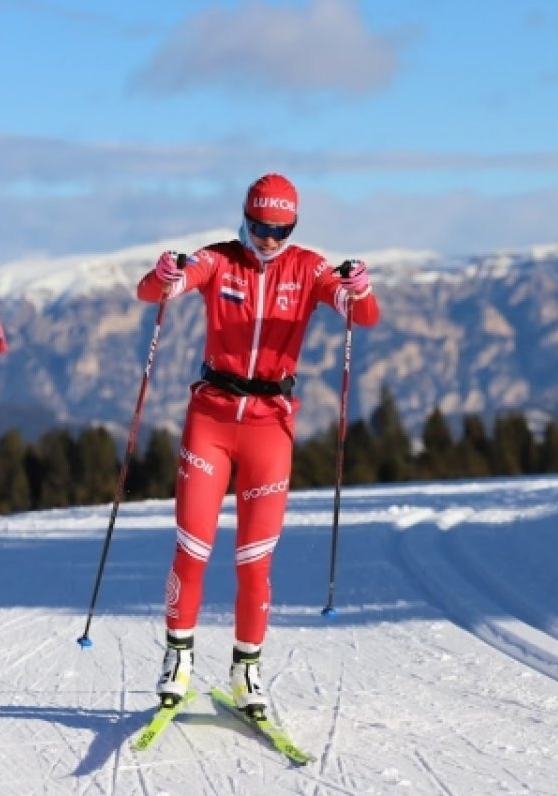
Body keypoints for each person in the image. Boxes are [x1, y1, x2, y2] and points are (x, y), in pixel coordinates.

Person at [136, 173, 380, 716]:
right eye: (261, 226)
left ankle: (246, 671)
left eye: (282, 228)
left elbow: (364, 316)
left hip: (271, 425)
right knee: (193, 548)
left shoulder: (309, 266)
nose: (270, 239)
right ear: (244, 217)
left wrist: (359, 288)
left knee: (254, 562)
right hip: (212, 418)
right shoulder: (219, 260)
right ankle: (178, 658)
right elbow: (154, 292)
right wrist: (164, 276)